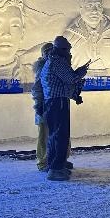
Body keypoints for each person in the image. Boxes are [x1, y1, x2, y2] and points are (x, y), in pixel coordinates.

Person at [40, 35, 89, 181]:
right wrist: (80, 72)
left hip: (52, 102)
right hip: (57, 102)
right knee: (60, 135)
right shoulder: (57, 61)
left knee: (55, 135)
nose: (70, 54)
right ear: (63, 50)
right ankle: (56, 169)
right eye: (68, 50)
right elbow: (70, 79)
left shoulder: (51, 61)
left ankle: (55, 164)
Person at [31, 42, 54, 171]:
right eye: (47, 52)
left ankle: (57, 159)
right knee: (43, 135)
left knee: (57, 134)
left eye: (52, 50)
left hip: (55, 106)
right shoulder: (42, 68)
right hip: (44, 106)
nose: (50, 54)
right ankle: (42, 162)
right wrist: (39, 105)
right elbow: (37, 89)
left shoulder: (55, 65)